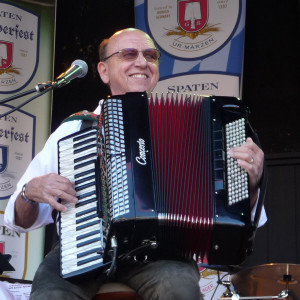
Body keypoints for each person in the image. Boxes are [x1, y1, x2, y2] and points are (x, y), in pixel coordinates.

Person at [4, 28, 267, 300]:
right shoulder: (75, 130)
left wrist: (250, 184)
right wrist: (30, 192)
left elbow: (246, 220)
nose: (141, 62)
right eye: (128, 54)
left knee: (179, 289)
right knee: (50, 295)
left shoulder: (199, 126)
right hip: (81, 249)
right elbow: (18, 219)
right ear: (104, 71)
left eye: (150, 55)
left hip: (161, 252)